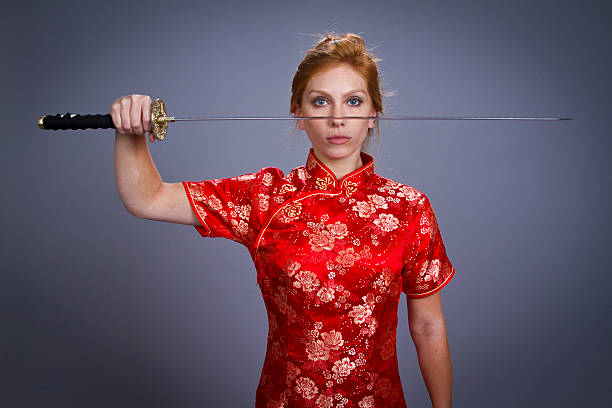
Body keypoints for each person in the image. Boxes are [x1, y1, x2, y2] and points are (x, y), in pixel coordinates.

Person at [111, 32, 455, 408]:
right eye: (320, 101)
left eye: (353, 101)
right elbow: (147, 197)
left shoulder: (408, 207)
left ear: (373, 114)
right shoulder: (265, 196)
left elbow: (427, 326)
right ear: (298, 112)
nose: (338, 118)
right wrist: (130, 131)